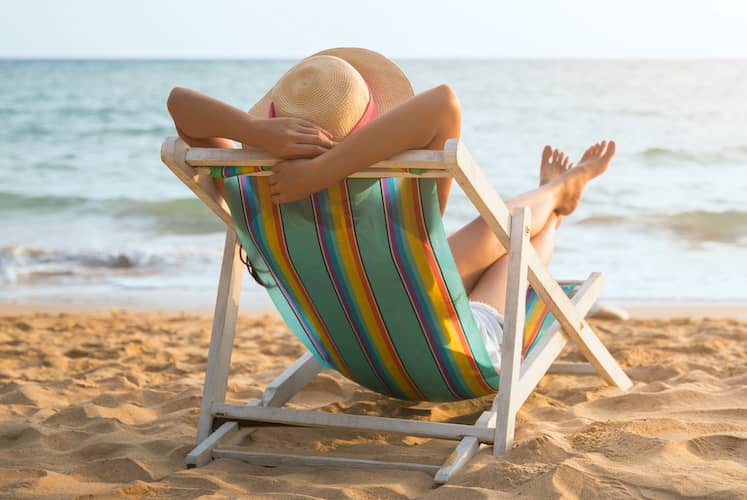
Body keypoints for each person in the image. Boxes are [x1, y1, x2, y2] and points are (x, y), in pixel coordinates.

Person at [165, 48, 615, 366]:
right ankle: (558, 199)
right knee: (515, 240)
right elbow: (444, 103)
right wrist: (326, 171)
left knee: (493, 231)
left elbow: (179, 104)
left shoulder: (251, 190)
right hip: (446, 348)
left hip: (352, 346)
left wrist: (257, 134)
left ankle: (558, 191)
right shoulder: (386, 203)